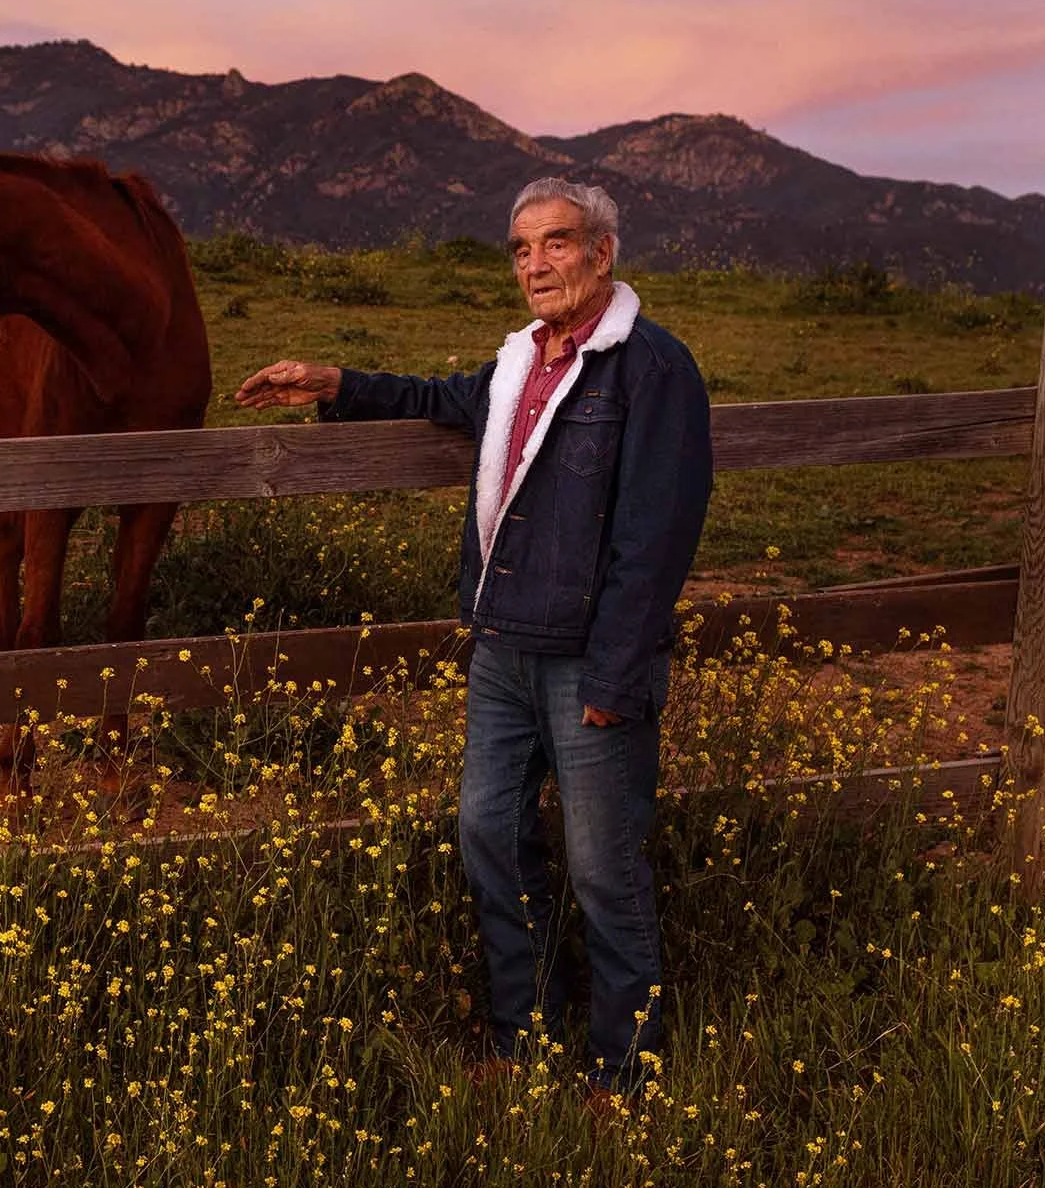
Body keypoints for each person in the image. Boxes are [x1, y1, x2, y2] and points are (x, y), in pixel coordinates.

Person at [235, 178, 712, 1101]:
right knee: (488, 835)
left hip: (588, 658)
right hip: (501, 647)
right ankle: (522, 1038)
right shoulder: (519, 360)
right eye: (521, 248)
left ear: (601, 253)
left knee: (603, 868)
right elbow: (439, 397)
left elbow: (656, 540)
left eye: (556, 243)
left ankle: (624, 1075)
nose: (535, 263)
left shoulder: (651, 368)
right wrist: (333, 382)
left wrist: (614, 676)